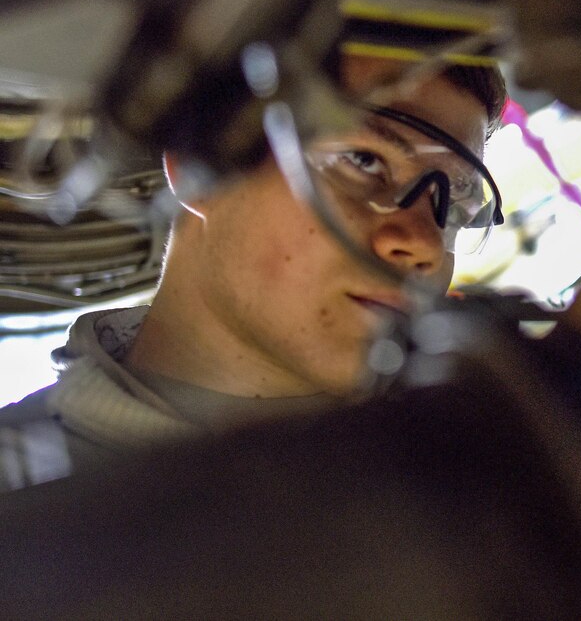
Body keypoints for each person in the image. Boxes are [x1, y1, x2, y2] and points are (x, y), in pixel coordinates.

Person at [0, 51, 508, 490]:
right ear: (199, 166)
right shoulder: (21, 509)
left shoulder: (486, 479)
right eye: (363, 159)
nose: (423, 244)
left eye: (457, 198)